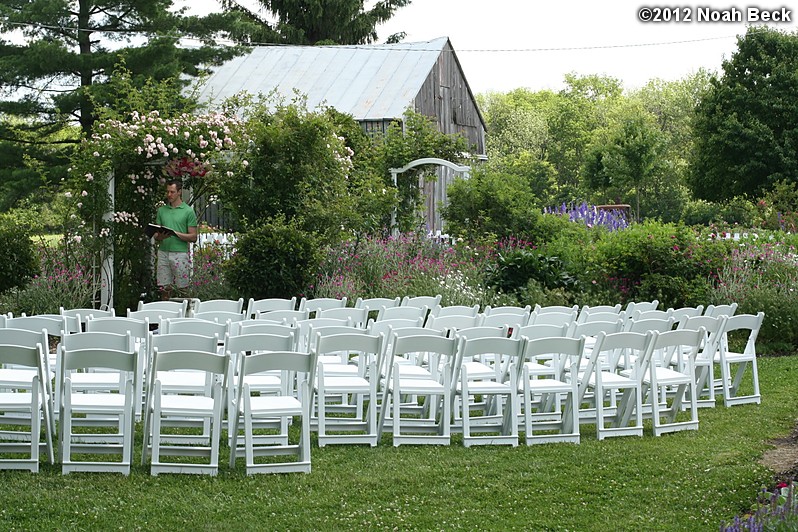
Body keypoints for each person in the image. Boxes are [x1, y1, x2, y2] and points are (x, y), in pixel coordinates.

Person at [153, 179, 198, 300]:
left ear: (179, 192)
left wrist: (175, 234)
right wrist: (161, 236)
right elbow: (157, 235)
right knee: (164, 288)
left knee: (183, 287)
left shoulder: (188, 211)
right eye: (167, 192)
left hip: (180, 253)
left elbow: (193, 236)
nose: (169, 195)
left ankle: (185, 314)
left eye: (172, 192)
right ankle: (166, 314)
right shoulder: (162, 210)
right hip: (163, 252)